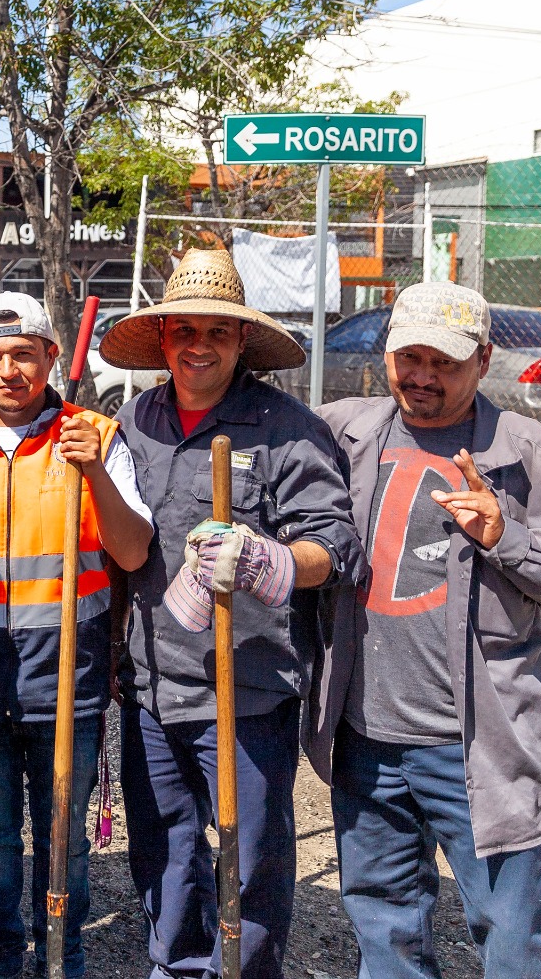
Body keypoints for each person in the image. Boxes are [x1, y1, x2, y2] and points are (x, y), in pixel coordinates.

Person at [306, 282, 541, 979]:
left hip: (480, 749)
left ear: (483, 360)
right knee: (384, 931)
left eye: (445, 363)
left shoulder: (519, 447)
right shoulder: (346, 431)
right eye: (410, 357)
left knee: (516, 944)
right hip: (367, 743)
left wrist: (509, 537)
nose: (423, 377)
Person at [100, 248, 363, 979]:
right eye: (183, 329)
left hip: (244, 692)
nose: (198, 345)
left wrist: (269, 560)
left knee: (249, 863)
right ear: (163, 339)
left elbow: (334, 545)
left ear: (243, 340)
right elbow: (123, 549)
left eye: (217, 331)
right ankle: (177, 968)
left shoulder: (286, 428)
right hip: (154, 688)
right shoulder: (136, 421)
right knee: (167, 857)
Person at [0, 293, 154, 979]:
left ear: (52, 357)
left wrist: (91, 472)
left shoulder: (97, 435)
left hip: (69, 682)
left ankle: (64, 958)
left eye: (24, 354)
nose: (8, 370)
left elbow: (135, 550)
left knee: (64, 840)